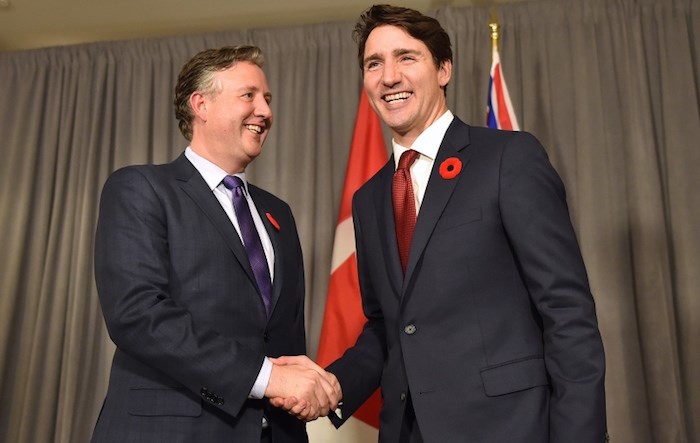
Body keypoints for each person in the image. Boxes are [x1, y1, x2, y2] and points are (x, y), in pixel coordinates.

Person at [275, 4, 607, 442]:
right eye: (374, 64)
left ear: (444, 69)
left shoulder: (508, 158)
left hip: (510, 428)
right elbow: (387, 327)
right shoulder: (369, 198)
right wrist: (334, 386)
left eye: (406, 58)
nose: (388, 76)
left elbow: (567, 311)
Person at [92, 45, 340, 443]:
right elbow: (138, 314)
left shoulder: (278, 214)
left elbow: (282, 337)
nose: (265, 111)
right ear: (200, 105)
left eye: (268, 99)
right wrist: (268, 378)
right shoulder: (141, 189)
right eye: (249, 96)